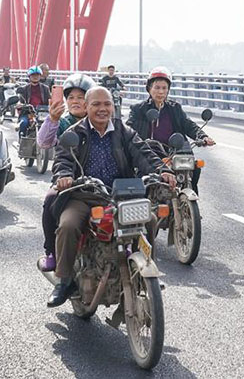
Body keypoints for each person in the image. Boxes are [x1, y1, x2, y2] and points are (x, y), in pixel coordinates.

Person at [46, 86, 176, 307]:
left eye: (107, 104)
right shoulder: (75, 134)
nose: (102, 109)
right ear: (86, 107)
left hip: (120, 195)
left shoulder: (123, 132)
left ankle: (144, 269)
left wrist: (161, 170)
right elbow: (63, 160)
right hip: (84, 194)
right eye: (96, 104)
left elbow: (142, 153)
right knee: (68, 225)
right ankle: (64, 280)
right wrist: (65, 175)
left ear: (113, 107)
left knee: (150, 220)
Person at [35, 72, 94, 272]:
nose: (75, 101)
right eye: (71, 98)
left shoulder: (102, 119)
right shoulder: (63, 122)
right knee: (51, 200)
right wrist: (52, 118)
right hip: (69, 181)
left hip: (102, 181)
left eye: (81, 97)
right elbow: (43, 142)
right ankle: (51, 251)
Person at [127, 66, 215, 193]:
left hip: (174, 151)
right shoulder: (138, 110)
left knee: (194, 168)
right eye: (157, 87)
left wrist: (202, 136)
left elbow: (188, 124)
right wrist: (137, 143)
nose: (161, 92)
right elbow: (129, 130)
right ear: (149, 88)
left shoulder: (175, 108)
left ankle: (190, 205)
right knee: (143, 180)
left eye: (164, 88)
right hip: (150, 153)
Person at [16, 66, 51, 137]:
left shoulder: (45, 89)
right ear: (29, 76)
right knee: (24, 123)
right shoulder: (24, 89)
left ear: (40, 76)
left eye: (37, 75)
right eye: (33, 75)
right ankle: (22, 141)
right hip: (28, 113)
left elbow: (49, 101)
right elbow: (20, 102)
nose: (35, 77)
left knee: (52, 125)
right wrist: (21, 105)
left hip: (42, 114)